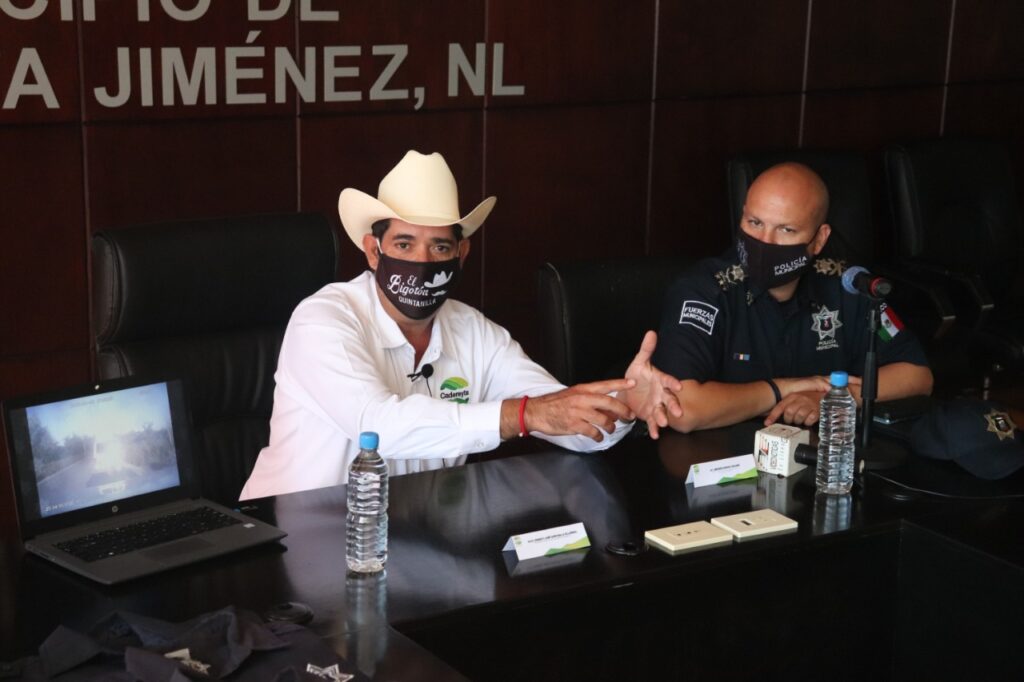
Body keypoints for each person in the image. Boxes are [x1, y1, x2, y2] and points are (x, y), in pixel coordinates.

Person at [241, 150, 681, 499]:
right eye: (404, 244)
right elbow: (377, 428)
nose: (422, 262)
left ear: (461, 254)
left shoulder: (474, 332)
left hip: (411, 543)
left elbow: (564, 419)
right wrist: (523, 414)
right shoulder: (323, 319)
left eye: (439, 247)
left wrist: (624, 404)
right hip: (292, 542)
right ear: (373, 251)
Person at [652, 162, 933, 433]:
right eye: (755, 222)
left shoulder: (847, 285)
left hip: (818, 454)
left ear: (819, 239)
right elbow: (682, 410)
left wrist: (831, 398)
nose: (765, 242)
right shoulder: (706, 289)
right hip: (720, 455)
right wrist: (782, 390)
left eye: (786, 230)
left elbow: (917, 375)